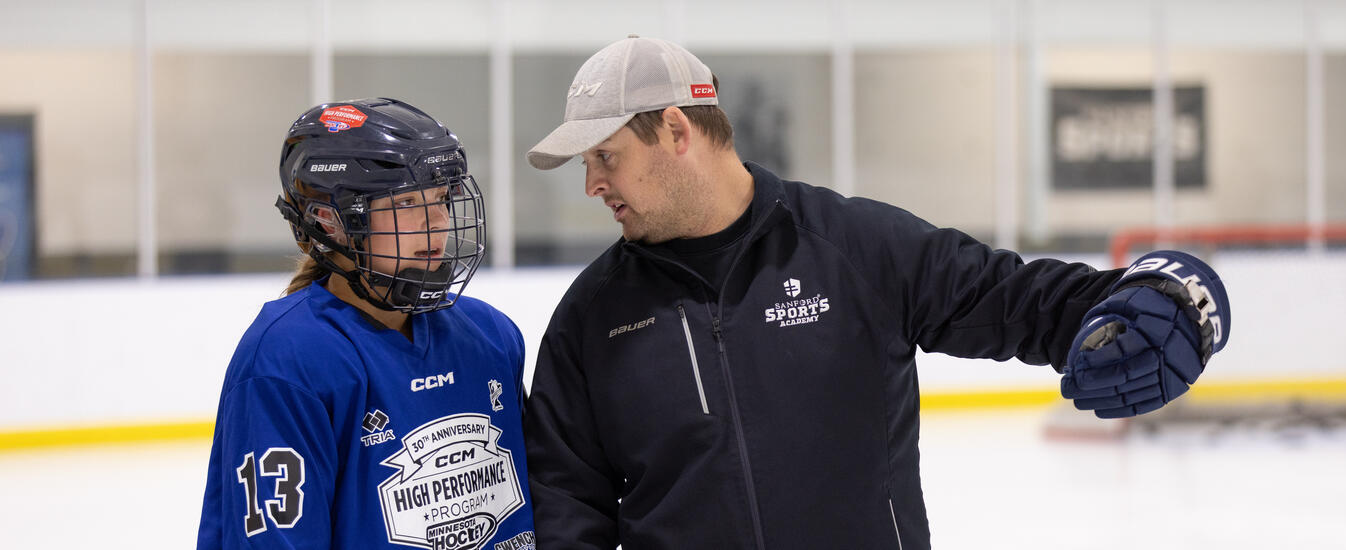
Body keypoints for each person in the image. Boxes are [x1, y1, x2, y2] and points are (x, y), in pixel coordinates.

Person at [522, 36, 1230, 550]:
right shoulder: (591, 319)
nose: (593, 186)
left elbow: (1025, 300)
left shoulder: (854, 249)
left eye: (605, 158)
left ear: (676, 130)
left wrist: (1179, 295)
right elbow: (567, 508)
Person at [197, 98, 536, 550]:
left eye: (440, 199)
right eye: (408, 203)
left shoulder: (491, 336)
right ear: (331, 222)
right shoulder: (289, 361)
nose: (436, 224)